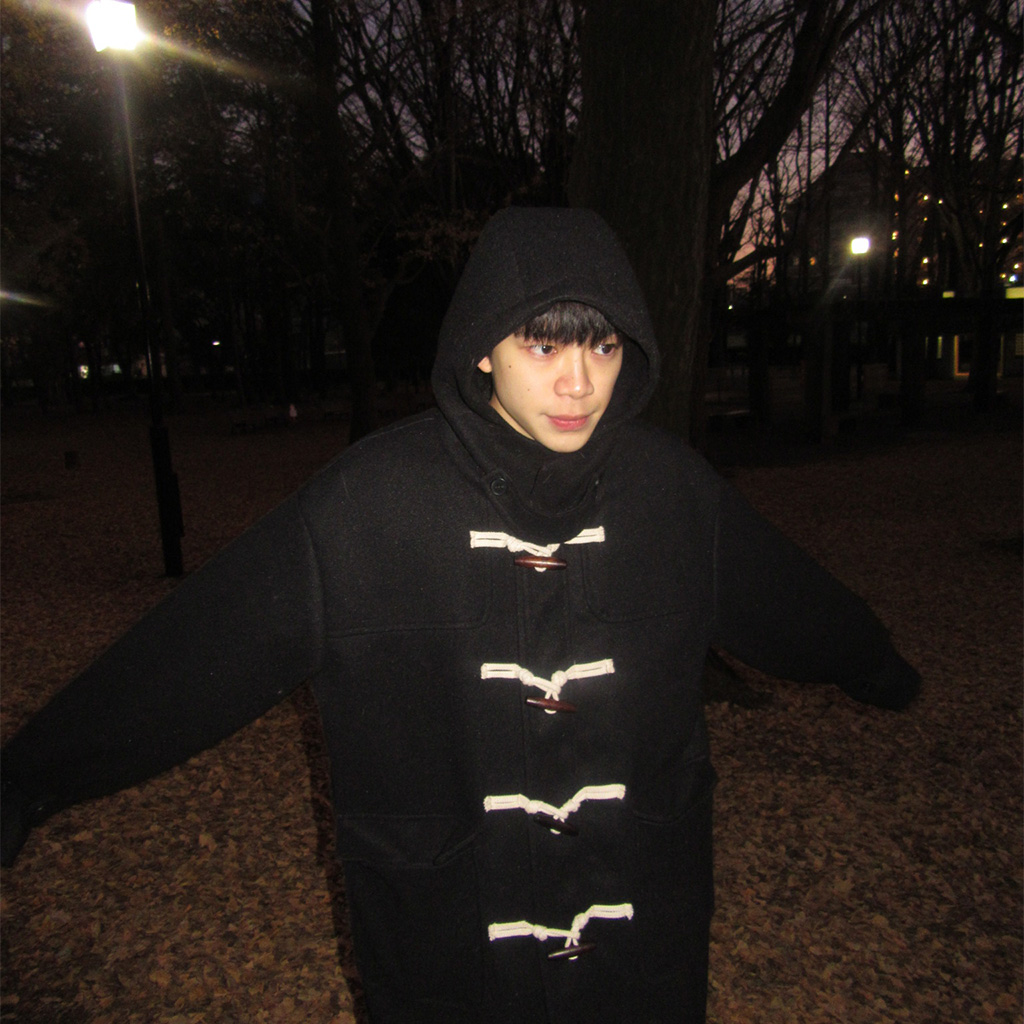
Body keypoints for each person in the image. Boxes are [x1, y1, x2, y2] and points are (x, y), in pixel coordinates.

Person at [0, 207, 919, 1023]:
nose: (579, 383)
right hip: (451, 932)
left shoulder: (672, 495)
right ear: (482, 348)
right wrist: (28, 779)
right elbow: (192, 655)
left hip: (640, 922)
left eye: (602, 347)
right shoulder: (366, 508)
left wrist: (874, 662)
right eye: (544, 347)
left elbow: (789, 599)